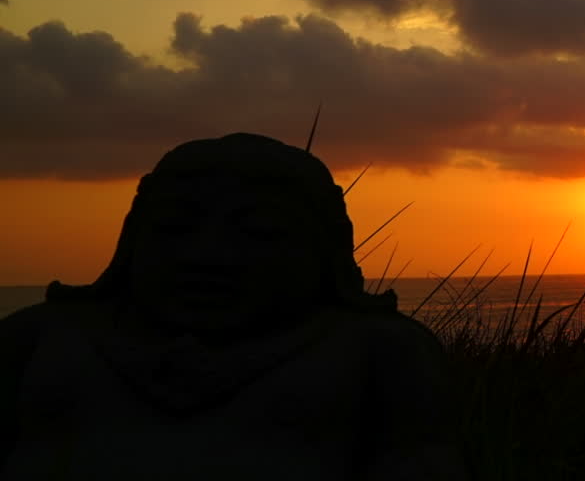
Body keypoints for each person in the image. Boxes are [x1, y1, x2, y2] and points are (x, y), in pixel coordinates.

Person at [0, 133, 466, 480]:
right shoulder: (42, 338)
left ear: (325, 252)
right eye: (175, 228)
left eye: (261, 234)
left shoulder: (378, 350)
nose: (207, 256)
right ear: (131, 241)